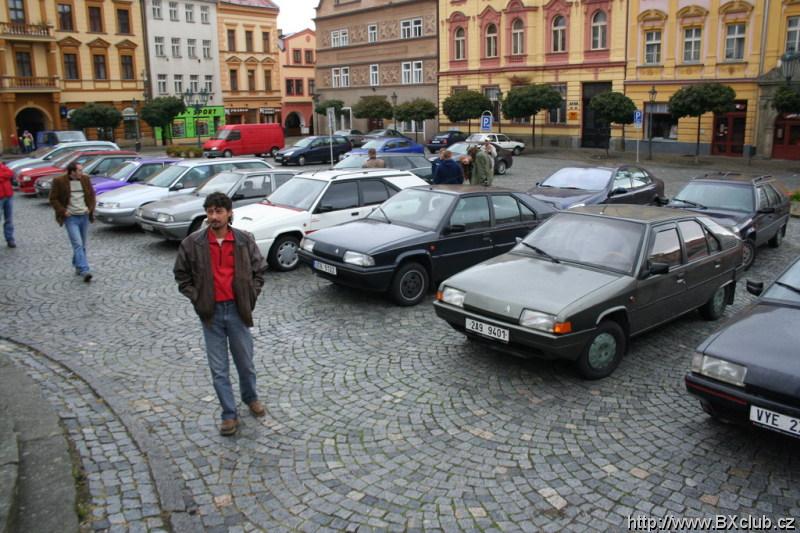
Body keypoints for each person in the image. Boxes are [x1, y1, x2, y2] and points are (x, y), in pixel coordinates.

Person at [173, 192, 268, 436]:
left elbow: (259, 270)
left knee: (245, 363)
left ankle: (251, 398)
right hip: (211, 313)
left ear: (229, 213)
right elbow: (182, 277)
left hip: (237, 311)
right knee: (219, 368)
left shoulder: (244, 240)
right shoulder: (193, 243)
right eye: (210, 211)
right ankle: (229, 414)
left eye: (218, 211)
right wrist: (198, 297)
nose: (213, 217)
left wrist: (251, 295)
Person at [49, 162, 96, 281]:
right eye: (79, 170)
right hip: (71, 218)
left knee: (82, 244)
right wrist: (62, 211)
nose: (82, 172)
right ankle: (85, 270)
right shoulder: (59, 181)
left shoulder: (85, 179)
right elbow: (53, 198)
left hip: (84, 216)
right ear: (72, 172)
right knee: (78, 244)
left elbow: (92, 195)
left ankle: (77, 265)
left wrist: (89, 209)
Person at [0, 162, 15, 247]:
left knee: (9, 220)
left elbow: (10, 173)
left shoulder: (2, 166)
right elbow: (7, 175)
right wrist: (4, 177)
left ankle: (10, 239)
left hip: (8, 195)